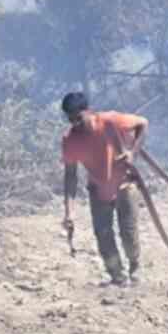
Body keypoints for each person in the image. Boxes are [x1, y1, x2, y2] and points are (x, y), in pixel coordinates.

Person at [60, 92, 149, 286]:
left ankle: (135, 268)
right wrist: (69, 212)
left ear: (87, 111)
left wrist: (132, 153)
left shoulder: (110, 121)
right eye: (70, 118)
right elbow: (70, 177)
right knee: (103, 235)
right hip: (98, 190)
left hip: (125, 184)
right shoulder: (70, 140)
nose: (75, 123)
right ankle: (117, 276)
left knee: (128, 232)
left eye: (78, 117)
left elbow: (143, 123)